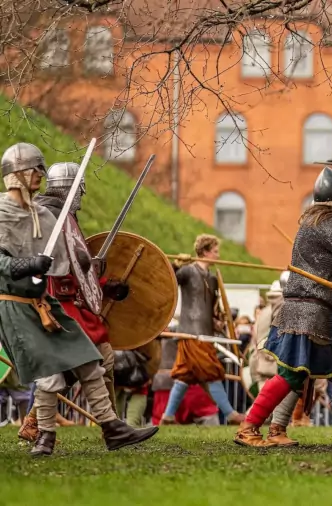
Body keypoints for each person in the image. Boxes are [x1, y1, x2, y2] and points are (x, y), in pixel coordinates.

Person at [0, 142, 157, 456]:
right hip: (16, 305)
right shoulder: (1, 213)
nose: (39, 176)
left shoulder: (41, 214)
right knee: (51, 372)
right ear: (16, 174)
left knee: (87, 358)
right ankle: (45, 435)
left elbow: (64, 262)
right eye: (34, 170)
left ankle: (112, 429)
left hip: (44, 301)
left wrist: (91, 273)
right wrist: (27, 265)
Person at [236, 167, 332, 448]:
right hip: (311, 312)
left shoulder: (312, 224)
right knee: (292, 373)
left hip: (316, 311)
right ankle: (248, 427)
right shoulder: (326, 225)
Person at [18, 161, 129, 439]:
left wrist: (100, 283)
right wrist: (83, 266)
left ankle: (108, 426)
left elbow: (77, 268)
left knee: (78, 366)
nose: (82, 196)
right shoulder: (48, 216)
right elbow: (51, 266)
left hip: (69, 304)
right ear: (69, 188)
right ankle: (110, 427)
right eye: (79, 190)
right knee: (83, 363)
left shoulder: (63, 216)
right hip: (56, 304)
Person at [161, 234, 244, 425]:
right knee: (212, 371)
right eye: (215, 251)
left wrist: (217, 322)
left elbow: (212, 308)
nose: (218, 255)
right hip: (192, 332)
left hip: (204, 332)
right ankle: (231, 414)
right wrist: (175, 265)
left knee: (184, 375)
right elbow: (169, 280)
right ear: (205, 252)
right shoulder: (188, 271)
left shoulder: (212, 278)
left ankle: (168, 416)